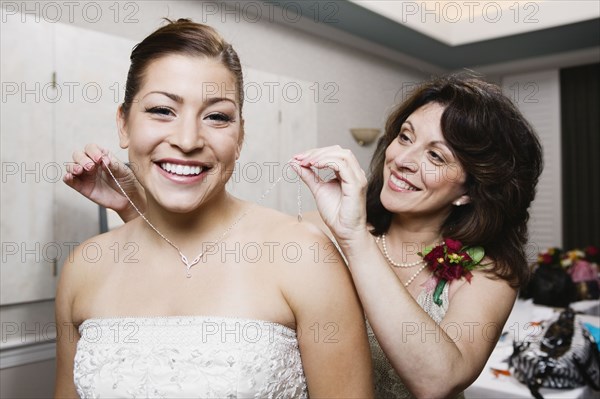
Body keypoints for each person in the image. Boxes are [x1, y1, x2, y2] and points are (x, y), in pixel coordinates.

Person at [55, 19, 373, 398]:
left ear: (239, 137)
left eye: (217, 117)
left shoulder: (303, 256)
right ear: (123, 124)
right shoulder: (83, 267)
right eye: (162, 110)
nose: (188, 140)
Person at [293, 76, 543, 398]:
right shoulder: (318, 232)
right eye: (405, 136)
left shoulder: (491, 273)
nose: (403, 161)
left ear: (468, 191)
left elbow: (438, 380)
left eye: (436, 157)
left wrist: (355, 238)